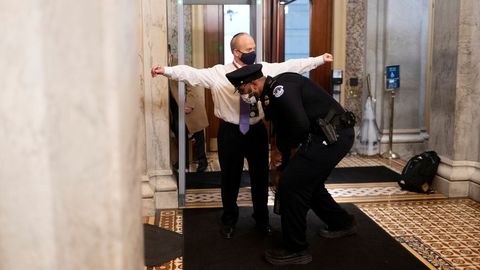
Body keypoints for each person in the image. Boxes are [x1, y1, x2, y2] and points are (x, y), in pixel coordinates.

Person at [151, 32, 333, 239]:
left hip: (256, 131)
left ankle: (262, 220)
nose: (252, 53)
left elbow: (290, 66)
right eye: (248, 50)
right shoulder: (218, 73)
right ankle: (229, 220)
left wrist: (318, 60)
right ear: (236, 52)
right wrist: (165, 70)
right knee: (230, 179)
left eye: (253, 48)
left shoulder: (263, 68)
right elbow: (191, 73)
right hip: (230, 132)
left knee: (259, 178)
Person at [226, 64, 357, 266]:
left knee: (291, 185)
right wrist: (283, 164)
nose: (242, 95)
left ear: (252, 83)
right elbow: (283, 129)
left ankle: (296, 249)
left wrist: (284, 161)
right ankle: (342, 223)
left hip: (333, 136)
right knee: (307, 184)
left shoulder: (281, 89)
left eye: (241, 90)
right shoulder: (269, 94)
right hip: (326, 137)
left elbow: (299, 125)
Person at [167, 45, 209, 172]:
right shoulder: (162, 66)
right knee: (181, 134)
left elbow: (193, 85)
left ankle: (202, 161)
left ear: (169, 52)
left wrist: (189, 104)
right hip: (175, 106)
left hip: (189, 104)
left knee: (198, 132)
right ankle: (183, 163)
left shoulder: (180, 62)